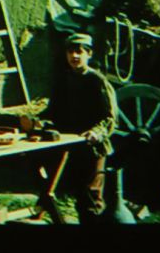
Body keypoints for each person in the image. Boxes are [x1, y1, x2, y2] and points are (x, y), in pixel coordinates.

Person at [42, 33, 116, 223]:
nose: (74, 56)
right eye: (70, 52)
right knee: (74, 195)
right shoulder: (63, 80)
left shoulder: (98, 81)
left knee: (91, 200)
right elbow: (52, 111)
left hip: (93, 148)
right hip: (71, 147)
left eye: (79, 52)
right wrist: (38, 122)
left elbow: (109, 117)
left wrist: (96, 132)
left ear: (89, 54)